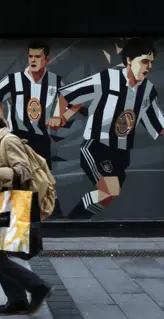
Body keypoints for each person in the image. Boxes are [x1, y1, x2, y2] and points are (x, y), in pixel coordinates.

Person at [49, 38, 164, 219]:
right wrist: (57, 116)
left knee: (108, 195)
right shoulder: (107, 78)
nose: (148, 66)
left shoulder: (147, 90)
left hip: (121, 152)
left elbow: (158, 124)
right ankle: (72, 220)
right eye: (144, 61)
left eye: (151, 63)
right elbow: (68, 94)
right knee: (110, 190)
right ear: (129, 60)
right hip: (97, 147)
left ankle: (75, 220)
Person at [0, 106, 53, 316]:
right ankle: (17, 300)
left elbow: (23, 171)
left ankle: (37, 287)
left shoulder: (9, 141)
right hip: (1, 203)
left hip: (10, 204)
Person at [0, 40, 68, 218]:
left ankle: (47, 214)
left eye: (37, 56)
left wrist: (58, 114)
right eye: (30, 56)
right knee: (17, 178)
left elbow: (68, 96)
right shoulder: (14, 79)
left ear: (46, 59)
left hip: (42, 137)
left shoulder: (55, 80)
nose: (33, 60)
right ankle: (11, 219)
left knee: (44, 178)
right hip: (18, 138)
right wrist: (2, 121)